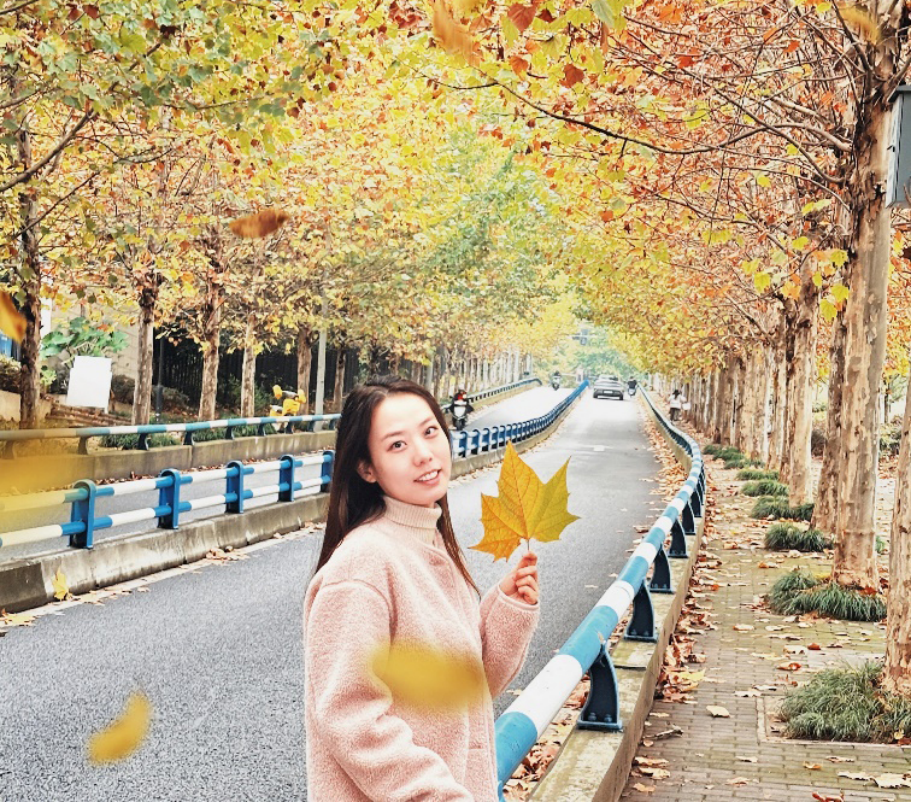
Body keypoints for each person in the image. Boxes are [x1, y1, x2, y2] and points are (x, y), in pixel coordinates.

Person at [303, 376, 540, 800]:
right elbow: (352, 718)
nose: (424, 454)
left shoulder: (429, 544)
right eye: (397, 445)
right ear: (366, 468)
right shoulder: (363, 565)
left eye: (430, 432)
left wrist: (507, 608)